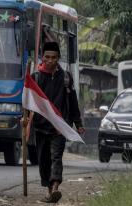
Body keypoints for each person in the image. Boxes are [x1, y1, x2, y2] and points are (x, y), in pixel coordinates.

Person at [30, 42, 85, 203]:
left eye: (54, 57)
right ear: (42, 57)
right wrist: (24, 118)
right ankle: (50, 192)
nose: (50, 60)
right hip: (41, 126)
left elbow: (73, 102)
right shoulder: (36, 77)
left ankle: (55, 187)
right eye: (47, 57)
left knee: (56, 157)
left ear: (58, 58)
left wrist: (78, 123)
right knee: (43, 160)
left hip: (60, 127)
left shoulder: (66, 77)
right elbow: (28, 101)